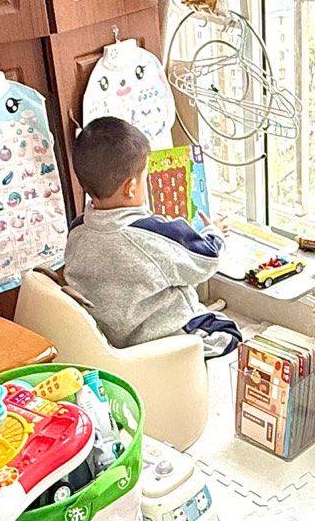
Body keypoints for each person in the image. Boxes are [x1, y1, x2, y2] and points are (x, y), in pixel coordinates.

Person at [62, 117, 240, 357]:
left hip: (111, 338)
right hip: (160, 337)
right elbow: (207, 258)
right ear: (130, 187)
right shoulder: (151, 233)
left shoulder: (77, 229)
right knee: (229, 332)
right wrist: (214, 231)